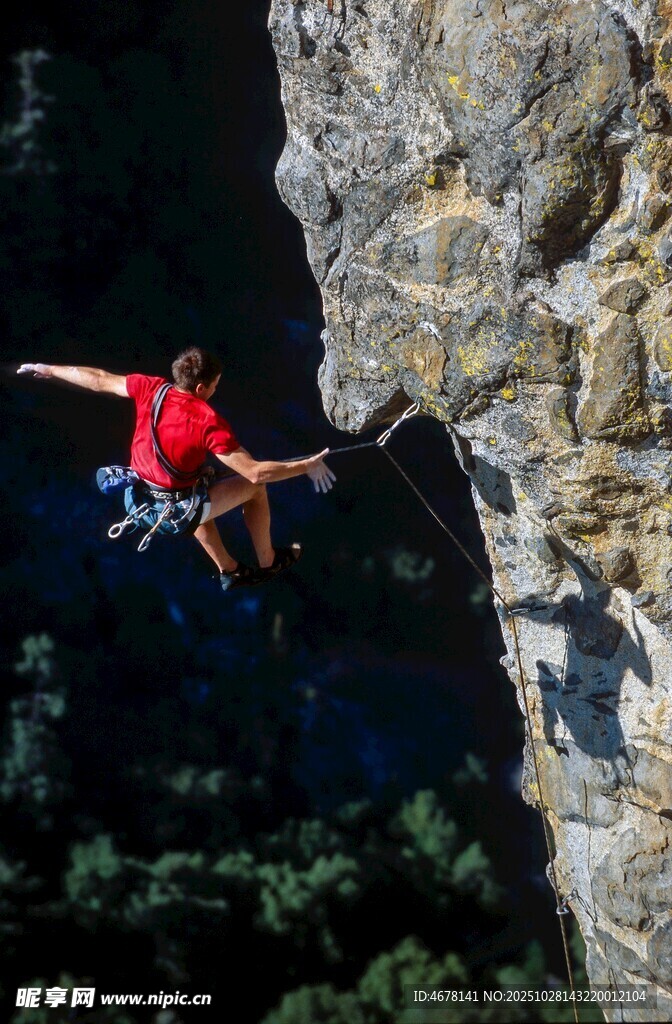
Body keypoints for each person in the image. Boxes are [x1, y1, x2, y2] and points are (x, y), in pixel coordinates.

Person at [17, 347, 336, 591]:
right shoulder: (207, 421)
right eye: (214, 385)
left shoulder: (151, 388)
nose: (215, 391)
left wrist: (49, 369)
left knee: (201, 485)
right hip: (171, 512)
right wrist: (306, 466)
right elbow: (254, 472)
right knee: (254, 489)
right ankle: (268, 562)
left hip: (137, 499)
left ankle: (230, 570)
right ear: (200, 388)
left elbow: (98, 379)